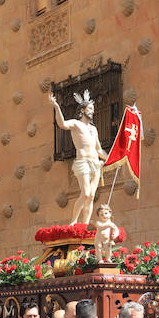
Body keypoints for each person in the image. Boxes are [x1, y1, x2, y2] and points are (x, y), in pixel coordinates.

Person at [49, 90, 108, 225]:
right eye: (90, 109)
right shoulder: (76, 124)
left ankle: (85, 225)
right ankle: (74, 221)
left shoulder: (93, 129)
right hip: (83, 162)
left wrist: (110, 158)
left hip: (95, 163)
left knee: (91, 196)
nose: (92, 111)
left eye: (93, 109)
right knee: (86, 193)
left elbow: (98, 149)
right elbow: (62, 124)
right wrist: (56, 106)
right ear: (82, 109)